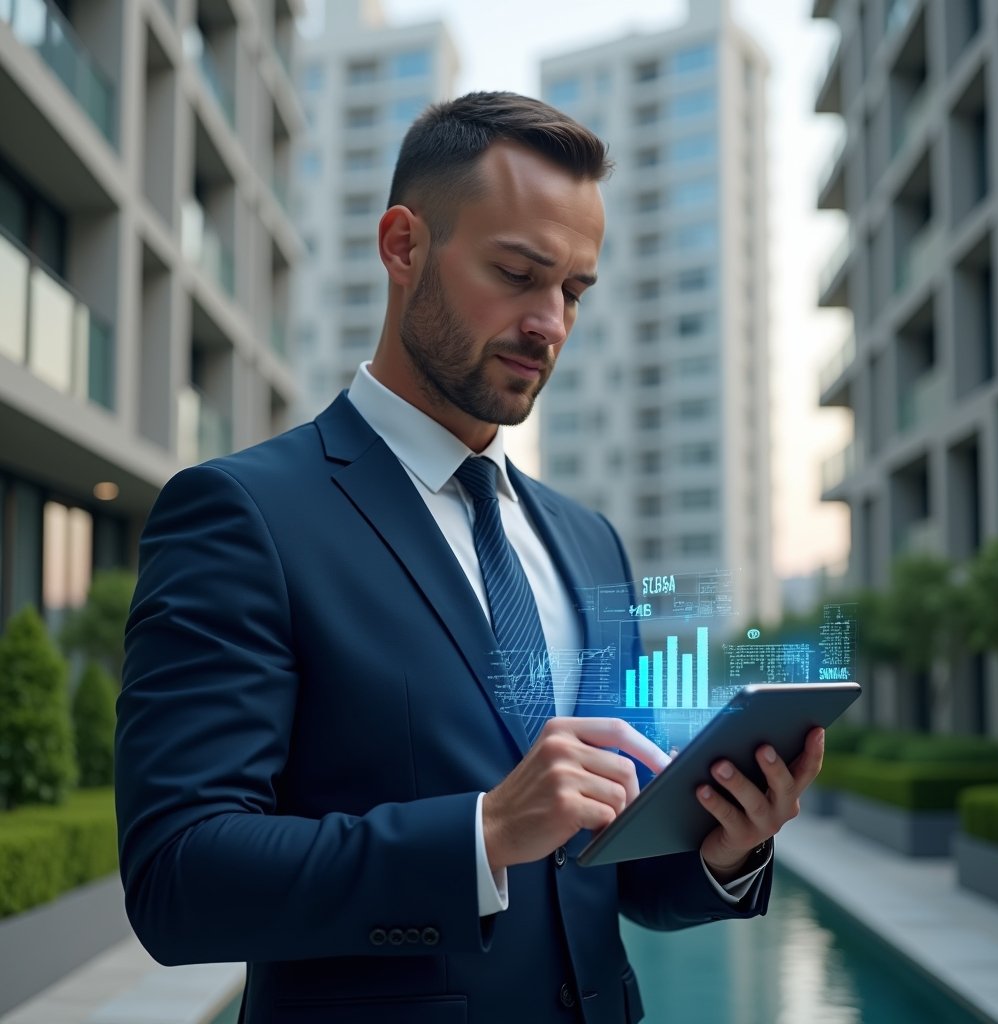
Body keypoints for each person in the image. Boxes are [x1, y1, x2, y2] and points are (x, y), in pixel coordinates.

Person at [116, 92, 824, 1024]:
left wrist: (726, 843)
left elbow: (615, 874)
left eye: (573, 290)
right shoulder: (243, 516)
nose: (551, 324)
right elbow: (179, 878)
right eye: (519, 273)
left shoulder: (588, 542)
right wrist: (481, 834)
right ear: (403, 246)